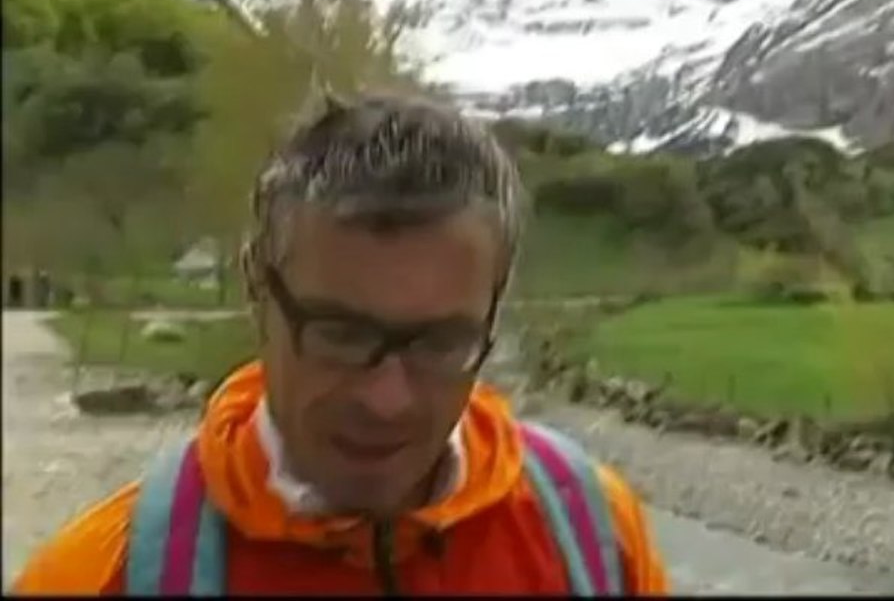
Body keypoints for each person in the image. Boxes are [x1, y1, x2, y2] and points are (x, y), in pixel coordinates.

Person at [11, 92, 669, 595]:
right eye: (340, 334)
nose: (386, 400)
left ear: (494, 315)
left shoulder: (594, 534)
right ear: (257, 288)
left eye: (440, 343)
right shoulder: (99, 576)